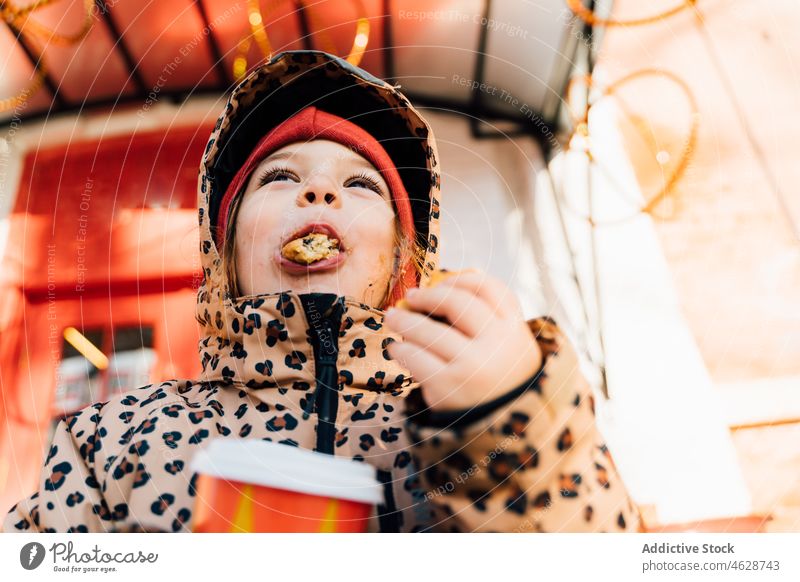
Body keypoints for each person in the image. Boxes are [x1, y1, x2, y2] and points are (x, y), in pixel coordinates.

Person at [3, 50, 642, 533]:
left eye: (361, 186)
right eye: (279, 177)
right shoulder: (119, 434)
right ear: (224, 256)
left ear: (402, 261)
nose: (319, 192)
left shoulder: (463, 422)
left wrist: (508, 418)